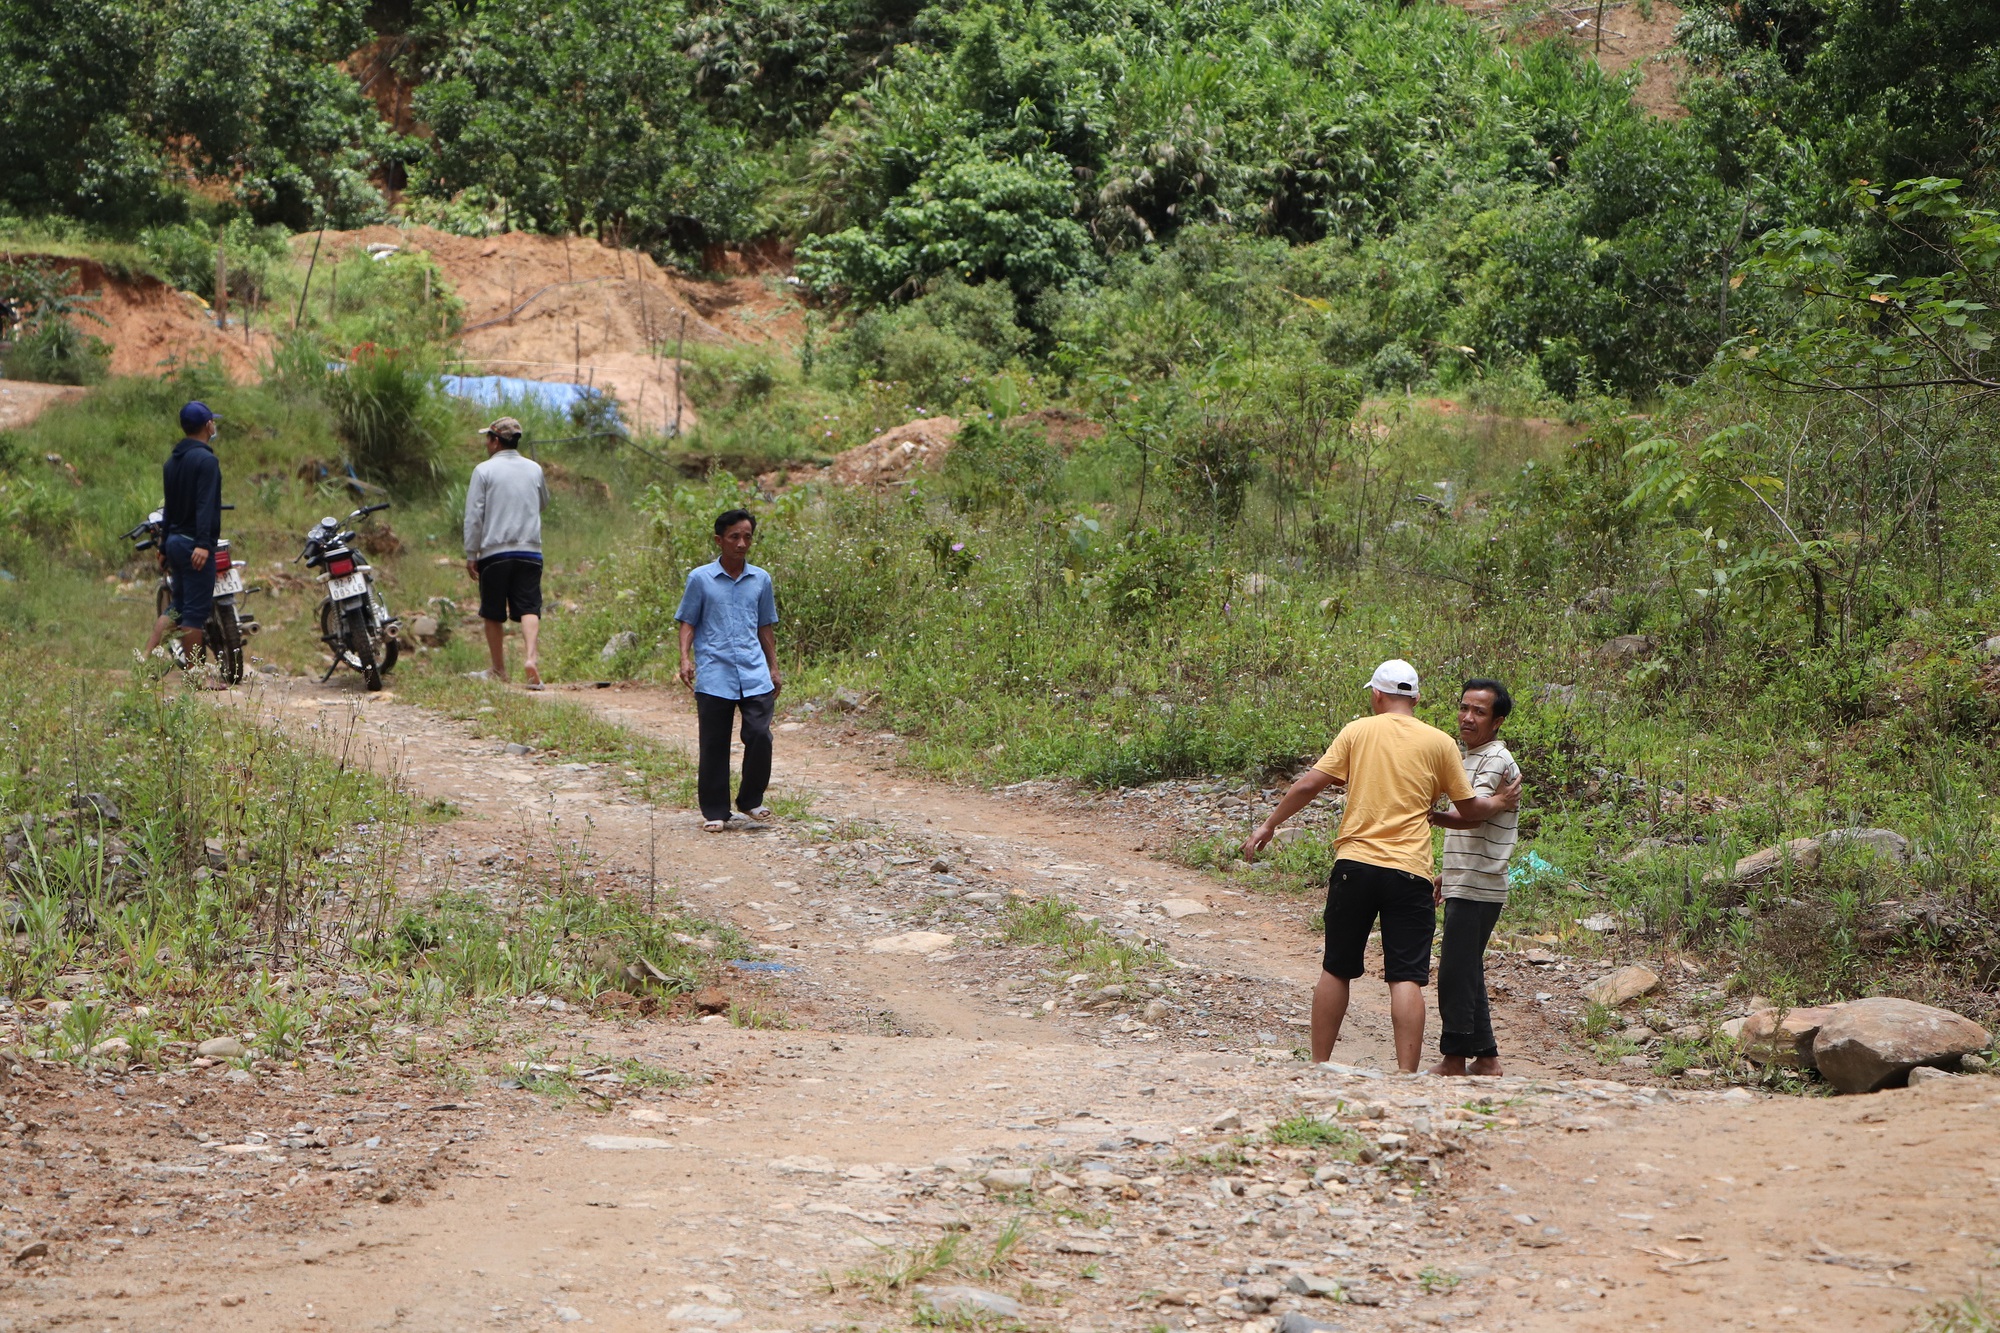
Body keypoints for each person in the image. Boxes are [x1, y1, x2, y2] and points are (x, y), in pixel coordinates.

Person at [1241, 659, 1520, 1072]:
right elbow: (1469, 809)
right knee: (1405, 975)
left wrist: (1269, 825)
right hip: (1409, 872)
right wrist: (1498, 802)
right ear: (1417, 698)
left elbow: (1309, 784)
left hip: (1354, 864)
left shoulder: (1357, 731)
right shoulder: (1439, 742)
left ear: (1376, 694)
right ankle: (1405, 1075)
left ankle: (1320, 1064)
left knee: (1336, 967)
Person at [1427, 679, 1523, 1076]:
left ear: (1497, 720)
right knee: (1465, 969)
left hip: (1481, 881)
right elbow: (1475, 813)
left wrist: (1428, 814)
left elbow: (1473, 813)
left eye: (1479, 712)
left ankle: (1453, 1059)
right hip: (1465, 878)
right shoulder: (1469, 756)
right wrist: (1447, 873)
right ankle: (1486, 1058)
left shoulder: (1496, 759)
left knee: (1454, 972)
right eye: (1464, 708)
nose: (1467, 717)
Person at [676, 509, 781, 832]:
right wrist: (684, 658)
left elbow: (765, 625)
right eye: (734, 536)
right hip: (714, 672)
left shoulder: (760, 579)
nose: (742, 543)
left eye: (747, 536)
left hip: (754, 672)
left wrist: (773, 666)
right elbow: (688, 621)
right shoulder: (701, 579)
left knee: (760, 735)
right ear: (719, 540)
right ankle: (716, 811)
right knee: (714, 743)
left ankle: (750, 799)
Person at [463, 417, 549, 686]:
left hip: (494, 552)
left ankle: (499, 669)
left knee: (493, 611)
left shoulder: (484, 471)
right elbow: (542, 502)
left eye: (488, 438)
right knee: (529, 606)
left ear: (496, 441)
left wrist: (471, 553)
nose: (486, 443)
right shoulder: (534, 469)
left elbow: (474, 516)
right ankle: (531, 659)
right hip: (530, 550)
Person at [149, 401, 224, 680]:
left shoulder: (172, 462)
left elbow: (169, 508)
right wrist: (204, 543)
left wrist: (163, 545)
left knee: (177, 606)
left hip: (175, 543)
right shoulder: (206, 461)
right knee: (194, 612)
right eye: (213, 422)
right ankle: (196, 675)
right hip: (195, 544)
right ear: (207, 426)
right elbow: (206, 505)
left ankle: (145, 659)